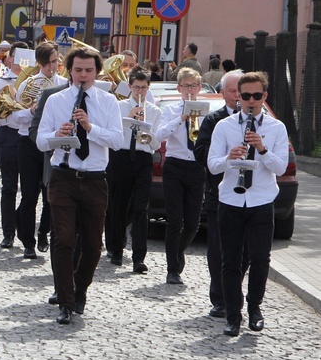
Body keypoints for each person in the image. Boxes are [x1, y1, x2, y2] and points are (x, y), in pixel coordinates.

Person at [36, 47, 124, 324]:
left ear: (96, 72)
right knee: (62, 238)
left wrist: (90, 128)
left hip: (95, 179)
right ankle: (65, 300)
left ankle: (79, 290)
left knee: (92, 245)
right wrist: (56, 135)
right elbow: (40, 141)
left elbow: (117, 141)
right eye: (77, 70)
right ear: (69, 71)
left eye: (88, 71)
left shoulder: (108, 102)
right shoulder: (56, 100)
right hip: (63, 175)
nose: (82, 76)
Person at [207, 71, 288, 336]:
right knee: (229, 260)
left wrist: (262, 149)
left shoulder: (276, 128)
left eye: (256, 96)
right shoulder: (225, 126)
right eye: (245, 96)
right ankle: (233, 315)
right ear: (237, 98)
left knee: (260, 258)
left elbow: (281, 166)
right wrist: (230, 158)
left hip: (262, 200)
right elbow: (212, 165)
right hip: (230, 200)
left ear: (264, 96)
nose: (250, 101)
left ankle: (255, 308)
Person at [194, 69, 244, 318]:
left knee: (244, 251)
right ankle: (220, 298)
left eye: (240, 91)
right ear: (223, 93)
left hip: (249, 197)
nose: (237, 96)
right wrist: (224, 155)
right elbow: (201, 152)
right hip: (219, 193)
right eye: (232, 91)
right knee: (218, 250)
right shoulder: (214, 120)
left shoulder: (260, 119)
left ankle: (236, 293)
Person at [104, 70, 162, 272]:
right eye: (136, 87)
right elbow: (111, 133)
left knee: (140, 208)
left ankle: (139, 257)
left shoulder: (155, 111)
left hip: (143, 158)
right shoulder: (118, 107)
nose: (140, 91)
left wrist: (148, 132)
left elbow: (155, 144)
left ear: (148, 88)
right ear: (129, 87)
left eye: (144, 88)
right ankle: (117, 250)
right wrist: (127, 118)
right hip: (120, 157)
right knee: (118, 205)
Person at [154, 68, 206, 285]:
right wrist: (181, 118)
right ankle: (172, 269)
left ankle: (178, 251)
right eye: (185, 86)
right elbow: (158, 136)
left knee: (193, 222)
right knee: (175, 220)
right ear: (179, 88)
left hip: (196, 167)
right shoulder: (172, 110)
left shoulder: (206, 112)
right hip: (175, 165)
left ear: (199, 88)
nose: (189, 90)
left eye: (193, 86)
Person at [15, 42, 66, 259]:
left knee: (50, 194)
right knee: (29, 194)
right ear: (39, 63)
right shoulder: (28, 84)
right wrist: (31, 110)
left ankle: (44, 232)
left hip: (51, 142)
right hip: (28, 142)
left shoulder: (64, 85)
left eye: (55, 62)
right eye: (48, 63)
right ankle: (27, 241)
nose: (52, 67)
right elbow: (14, 117)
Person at [0, 41, 28, 250]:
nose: (20, 61)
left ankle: (25, 228)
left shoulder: (35, 81)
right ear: (9, 58)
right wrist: (6, 105)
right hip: (8, 133)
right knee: (9, 186)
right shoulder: (0, 82)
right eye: (16, 57)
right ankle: (8, 233)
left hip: (30, 136)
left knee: (31, 188)